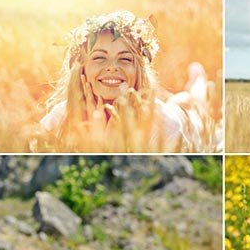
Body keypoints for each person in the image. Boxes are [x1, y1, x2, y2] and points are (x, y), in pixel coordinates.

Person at [32, 13, 218, 155]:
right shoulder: (61, 116)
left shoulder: (166, 124)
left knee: (191, 103)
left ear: (138, 70)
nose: (112, 67)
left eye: (125, 59)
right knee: (180, 100)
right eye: (99, 58)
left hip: (186, 120)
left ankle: (198, 81)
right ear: (82, 68)